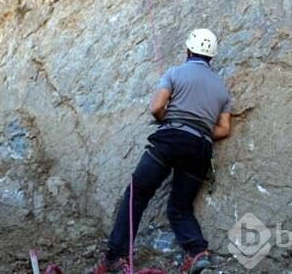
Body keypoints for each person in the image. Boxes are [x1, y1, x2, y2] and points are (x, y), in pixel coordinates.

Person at [91, 29, 232, 274]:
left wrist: (174, 119)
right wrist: (198, 127)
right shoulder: (221, 89)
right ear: (212, 57)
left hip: (170, 139)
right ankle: (198, 252)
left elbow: (156, 108)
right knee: (180, 207)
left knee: (136, 195)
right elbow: (224, 129)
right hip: (200, 148)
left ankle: (115, 256)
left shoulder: (175, 73)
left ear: (188, 50)